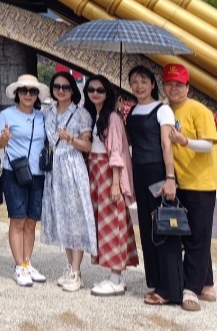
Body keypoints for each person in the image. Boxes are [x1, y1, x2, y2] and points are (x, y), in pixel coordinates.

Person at [164, 63, 217, 312]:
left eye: (179, 85)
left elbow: (208, 145)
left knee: (197, 236)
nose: (174, 89)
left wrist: (184, 141)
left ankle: (191, 288)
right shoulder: (166, 111)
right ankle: (207, 284)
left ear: (188, 87)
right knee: (194, 235)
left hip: (201, 182)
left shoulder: (199, 110)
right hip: (180, 181)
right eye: (169, 84)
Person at [125, 64, 182, 308]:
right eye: (134, 82)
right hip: (140, 173)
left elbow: (167, 145)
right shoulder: (132, 110)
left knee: (164, 228)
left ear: (152, 84)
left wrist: (170, 178)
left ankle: (170, 289)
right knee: (149, 228)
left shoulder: (162, 110)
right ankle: (157, 281)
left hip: (158, 171)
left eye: (143, 81)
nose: (139, 86)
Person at [82, 74, 138, 296]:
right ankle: (114, 275)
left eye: (100, 90)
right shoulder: (94, 115)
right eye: (91, 90)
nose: (95, 94)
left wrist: (116, 183)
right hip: (94, 172)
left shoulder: (112, 118)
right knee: (102, 222)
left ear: (108, 93)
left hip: (107, 172)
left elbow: (116, 153)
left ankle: (116, 276)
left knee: (113, 222)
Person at [40, 71, 97, 292]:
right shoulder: (48, 112)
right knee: (62, 217)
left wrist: (71, 139)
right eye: (57, 87)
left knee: (76, 218)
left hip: (72, 166)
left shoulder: (81, 114)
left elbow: (87, 146)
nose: (61, 90)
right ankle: (70, 267)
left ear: (73, 90)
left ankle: (77, 270)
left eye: (65, 87)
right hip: (54, 169)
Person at [0, 73, 47, 287]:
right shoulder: (7, 114)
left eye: (32, 91)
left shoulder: (42, 117)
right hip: (14, 171)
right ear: (17, 93)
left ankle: (27, 262)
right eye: (23, 90)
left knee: (31, 221)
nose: (28, 94)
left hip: (38, 172)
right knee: (17, 219)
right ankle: (19, 265)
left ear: (37, 95)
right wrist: (4, 139)